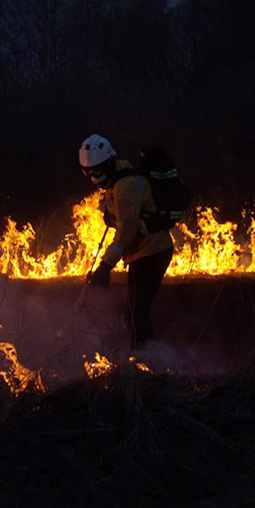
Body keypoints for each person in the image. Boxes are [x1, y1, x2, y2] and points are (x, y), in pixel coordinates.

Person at [79, 134, 174, 348]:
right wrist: (111, 215)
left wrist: (106, 266)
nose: (94, 177)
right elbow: (126, 220)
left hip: (153, 252)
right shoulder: (115, 183)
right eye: (88, 173)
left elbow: (128, 231)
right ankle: (145, 358)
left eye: (96, 171)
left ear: (108, 163)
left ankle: (148, 361)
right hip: (141, 254)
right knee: (134, 311)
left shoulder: (126, 185)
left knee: (135, 313)